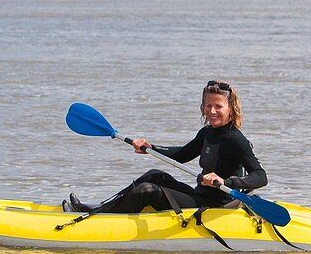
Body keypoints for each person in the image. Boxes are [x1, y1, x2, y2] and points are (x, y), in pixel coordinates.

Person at [64, 80, 267, 214]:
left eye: (218, 106)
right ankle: (101, 208)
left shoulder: (236, 139)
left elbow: (260, 176)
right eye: (208, 105)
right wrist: (150, 147)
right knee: (155, 175)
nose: (212, 111)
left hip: (214, 207)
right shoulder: (207, 133)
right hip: (200, 195)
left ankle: (101, 219)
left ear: (231, 109)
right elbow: (182, 154)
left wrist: (225, 181)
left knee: (148, 190)